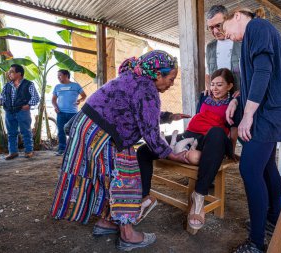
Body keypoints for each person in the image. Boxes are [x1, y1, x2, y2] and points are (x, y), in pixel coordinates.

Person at [50, 50, 187, 251]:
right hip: (103, 134)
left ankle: (106, 222)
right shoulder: (146, 89)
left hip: (89, 128)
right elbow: (150, 131)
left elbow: (137, 111)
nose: (172, 84)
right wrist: (170, 154)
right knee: (126, 178)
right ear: (158, 74)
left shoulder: (134, 78)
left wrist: (167, 116)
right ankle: (127, 235)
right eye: (171, 78)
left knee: (108, 177)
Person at [223, 7, 281, 253]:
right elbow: (256, 76)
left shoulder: (257, 27)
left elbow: (263, 72)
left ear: (237, 16)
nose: (227, 37)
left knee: (249, 168)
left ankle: (256, 242)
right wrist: (237, 98)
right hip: (271, 109)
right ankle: (273, 217)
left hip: (268, 111)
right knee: (266, 166)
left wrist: (247, 115)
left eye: (224, 30)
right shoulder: (256, 34)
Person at [136, 68, 239, 228]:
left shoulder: (235, 101)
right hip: (190, 136)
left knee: (217, 132)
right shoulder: (204, 96)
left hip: (213, 141)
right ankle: (144, 197)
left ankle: (199, 196)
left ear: (230, 86)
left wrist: (230, 152)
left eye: (220, 85)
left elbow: (234, 129)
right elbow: (200, 112)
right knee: (143, 150)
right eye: (213, 84)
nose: (215, 88)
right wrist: (209, 86)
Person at [1, 64, 40, 160]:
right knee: (11, 133)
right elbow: (3, 97)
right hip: (9, 112)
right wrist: (2, 104)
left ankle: (29, 151)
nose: (9, 74)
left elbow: (36, 97)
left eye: (11, 72)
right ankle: (13, 152)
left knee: (26, 131)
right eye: (9, 72)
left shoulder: (29, 84)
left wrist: (28, 105)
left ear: (19, 73)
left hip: (22, 111)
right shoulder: (7, 85)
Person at [206, 5, 242, 91]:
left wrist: (242, 91)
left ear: (227, 20)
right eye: (211, 27)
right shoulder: (210, 47)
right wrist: (209, 89)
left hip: (239, 98)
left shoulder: (241, 42)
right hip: (219, 101)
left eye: (218, 25)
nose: (215, 31)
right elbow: (207, 74)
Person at [52, 69, 87, 156]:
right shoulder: (57, 87)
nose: (58, 77)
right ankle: (62, 149)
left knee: (74, 131)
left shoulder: (76, 86)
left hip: (73, 113)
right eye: (57, 76)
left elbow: (84, 96)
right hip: (61, 113)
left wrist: (80, 100)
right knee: (61, 131)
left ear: (66, 75)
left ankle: (74, 149)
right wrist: (56, 107)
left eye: (60, 75)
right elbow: (53, 100)